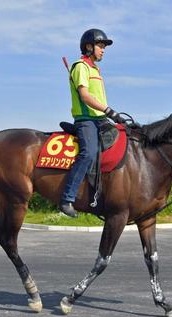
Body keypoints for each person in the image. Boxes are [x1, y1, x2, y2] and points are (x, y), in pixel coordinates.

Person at [59, 28, 126, 218]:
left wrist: (110, 115)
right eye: (100, 45)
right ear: (89, 46)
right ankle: (67, 198)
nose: (103, 50)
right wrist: (109, 111)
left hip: (101, 119)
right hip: (86, 121)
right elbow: (85, 96)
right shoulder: (81, 66)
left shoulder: (96, 69)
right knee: (88, 154)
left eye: (104, 46)